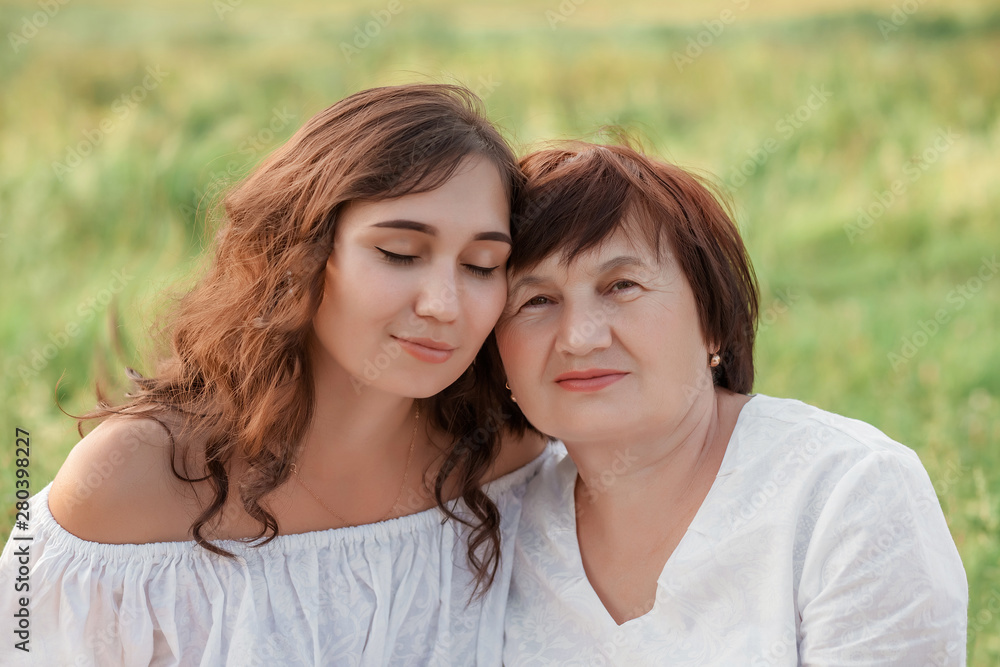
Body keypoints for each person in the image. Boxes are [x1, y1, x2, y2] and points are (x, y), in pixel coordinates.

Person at [0, 83, 547, 666]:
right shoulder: (130, 484)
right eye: (400, 253)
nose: (444, 303)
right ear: (300, 251)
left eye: (482, 265)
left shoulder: (508, 458)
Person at [498, 142, 968, 665]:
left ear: (714, 319)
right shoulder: (498, 523)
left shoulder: (846, 493)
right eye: (536, 300)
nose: (579, 337)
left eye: (622, 285)